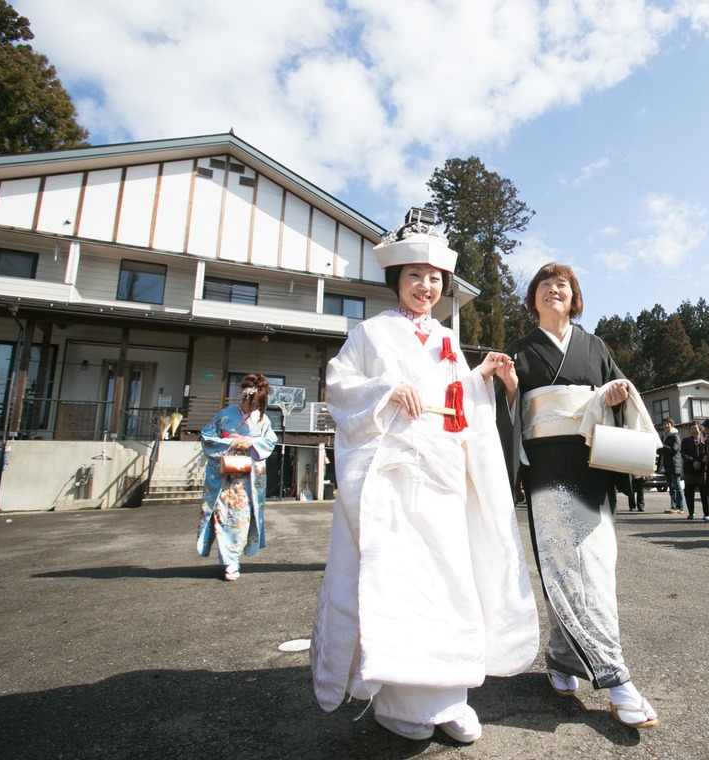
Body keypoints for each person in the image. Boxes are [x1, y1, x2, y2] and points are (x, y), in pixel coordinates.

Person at [309, 211, 539, 744]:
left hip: (443, 471)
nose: (426, 286)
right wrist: (386, 389)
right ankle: (401, 703)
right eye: (415, 276)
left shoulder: (449, 340)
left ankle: (450, 697)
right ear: (397, 281)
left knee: (450, 577)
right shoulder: (369, 333)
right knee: (399, 580)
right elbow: (339, 384)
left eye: (435, 279)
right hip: (392, 473)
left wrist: (490, 380)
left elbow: (460, 401)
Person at [497, 262, 659, 729]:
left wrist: (612, 395)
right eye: (545, 286)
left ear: (575, 296)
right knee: (568, 564)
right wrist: (509, 389)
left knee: (594, 564)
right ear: (533, 299)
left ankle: (562, 656)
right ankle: (615, 677)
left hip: (593, 463)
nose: (554, 291)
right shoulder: (520, 350)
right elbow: (508, 408)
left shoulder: (595, 345)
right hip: (548, 468)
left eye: (562, 285)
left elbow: (619, 389)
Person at [197, 373, 278, 581]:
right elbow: (207, 437)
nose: (252, 408)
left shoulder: (263, 420)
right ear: (242, 397)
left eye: (257, 404)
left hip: (246, 482)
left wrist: (250, 443)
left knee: (240, 520)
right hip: (224, 479)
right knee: (221, 516)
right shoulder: (225, 415)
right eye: (249, 402)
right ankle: (229, 561)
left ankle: (232, 559)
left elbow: (269, 442)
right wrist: (232, 443)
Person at [681, 422, 709, 520]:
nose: (693, 430)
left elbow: (708, 453)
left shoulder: (706, 441)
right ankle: (691, 513)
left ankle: (706, 514)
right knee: (689, 493)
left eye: (695, 428)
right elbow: (683, 453)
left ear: (700, 429)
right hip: (689, 469)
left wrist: (700, 462)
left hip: (702, 469)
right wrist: (693, 462)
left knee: (705, 493)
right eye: (691, 429)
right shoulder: (685, 441)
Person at [660, 418, 683, 512]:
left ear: (672, 425)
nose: (666, 426)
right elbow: (661, 450)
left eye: (668, 424)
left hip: (674, 465)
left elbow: (673, 450)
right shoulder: (664, 436)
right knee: (671, 487)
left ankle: (680, 507)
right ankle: (673, 506)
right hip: (667, 465)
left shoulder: (675, 436)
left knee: (677, 487)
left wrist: (662, 445)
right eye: (664, 424)